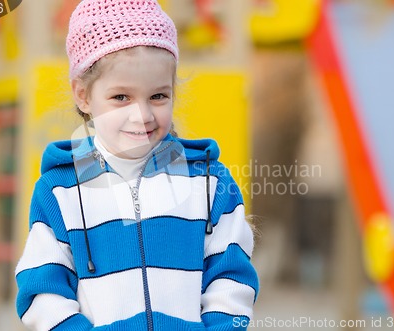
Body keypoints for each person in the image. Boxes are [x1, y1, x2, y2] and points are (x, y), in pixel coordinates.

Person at [15, 0, 259, 330]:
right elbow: (43, 292)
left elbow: (231, 278)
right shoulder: (58, 192)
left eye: (158, 96)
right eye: (121, 98)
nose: (142, 115)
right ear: (83, 95)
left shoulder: (210, 182)